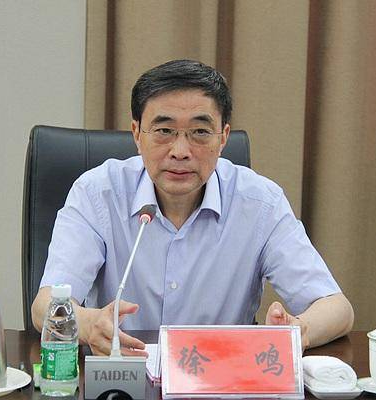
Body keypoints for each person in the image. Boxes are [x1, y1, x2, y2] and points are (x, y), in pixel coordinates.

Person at [31, 59, 354, 356]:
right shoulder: (97, 194)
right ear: (137, 134)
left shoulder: (260, 203)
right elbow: (45, 306)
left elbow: (337, 308)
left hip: (220, 381)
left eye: (200, 132)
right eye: (164, 131)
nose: (180, 150)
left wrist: (298, 331)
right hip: (122, 377)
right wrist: (89, 324)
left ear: (223, 137)